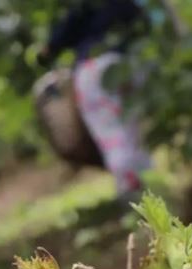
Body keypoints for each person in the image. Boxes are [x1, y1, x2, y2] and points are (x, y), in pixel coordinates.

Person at [39, 0, 150, 197]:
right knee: (131, 130)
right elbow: (145, 28)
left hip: (93, 72)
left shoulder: (83, 7)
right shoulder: (129, 5)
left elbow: (51, 47)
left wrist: (46, 53)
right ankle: (148, 190)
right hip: (125, 67)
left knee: (111, 135)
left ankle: (134, 193)